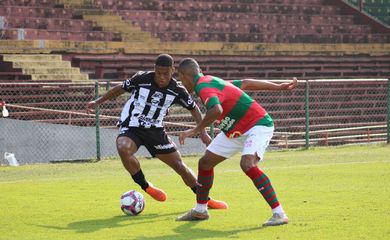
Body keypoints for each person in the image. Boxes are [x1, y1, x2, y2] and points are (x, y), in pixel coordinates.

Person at [86, 54, 227, 209]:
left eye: (165, 74)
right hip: (133, 126)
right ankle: (146, 186)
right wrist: (98, 101)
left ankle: (206, 199)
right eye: (158, 73)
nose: (161, 77)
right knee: (123, 147)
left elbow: (194, 110)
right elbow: (120, 88)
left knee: (180, 167)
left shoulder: (177, 90)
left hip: (156, 131)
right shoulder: (142, 79)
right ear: (154, 69)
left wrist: (203, 133)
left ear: (172, 71)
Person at [175, 58, 298, 226]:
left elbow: (216, 110)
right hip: (235, 130)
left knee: (247, 164)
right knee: (205, 163)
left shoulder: (203, 87)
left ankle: (279, 214)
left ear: (183, 76)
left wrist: (194, 130)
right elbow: (246, 83)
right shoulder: (211, 81)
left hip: (257, 125)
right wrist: (277, 87)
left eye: (180, 79)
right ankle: (200, 210)